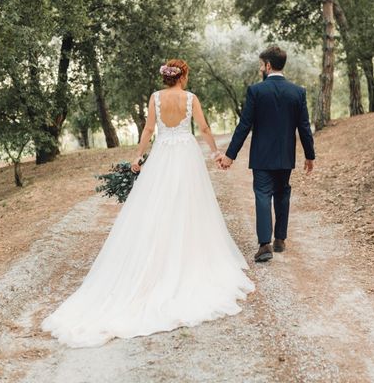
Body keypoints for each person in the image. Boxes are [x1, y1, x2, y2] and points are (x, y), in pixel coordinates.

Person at [41, 59, 254, 348]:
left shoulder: (155, 98)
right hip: (186, 156)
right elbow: (203, 128)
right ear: (184, 76)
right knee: (189, 206)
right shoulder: (191, 99)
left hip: (163, 156)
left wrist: (138, 157)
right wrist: (216, 152)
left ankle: (157, 254)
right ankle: (185, 255)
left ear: (166, 77)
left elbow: (148, 131)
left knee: (157, 206)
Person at [219, 46, 315, 262]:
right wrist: (310, 155)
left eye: (262, 64)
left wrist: (230, 155)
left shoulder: (256, 91)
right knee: (282, 194)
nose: (261, 68)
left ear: (268, 65)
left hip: (262, 156)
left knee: (263, 195)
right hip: (285, 156)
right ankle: (280, 239)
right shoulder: (297, 92)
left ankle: (265, 244)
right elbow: (304, 127)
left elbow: (244, 125)